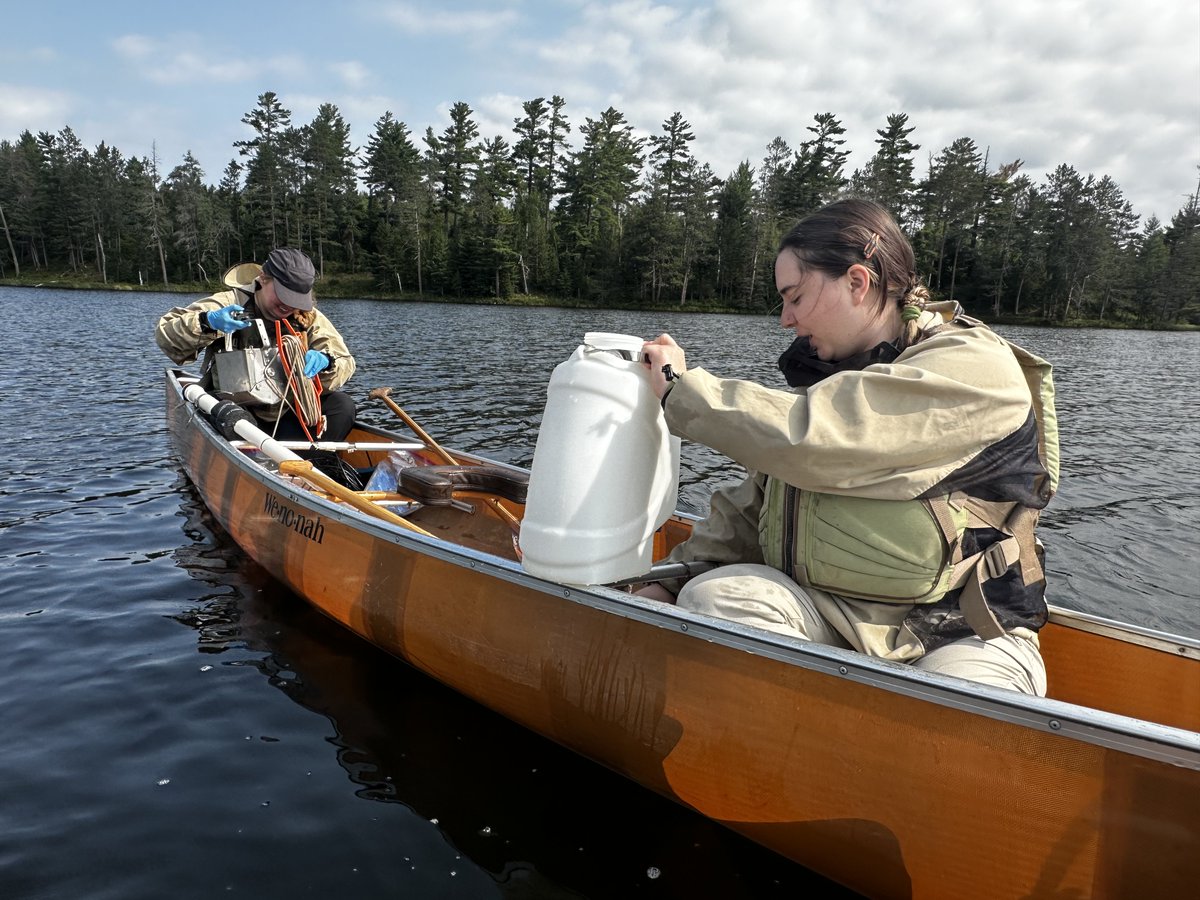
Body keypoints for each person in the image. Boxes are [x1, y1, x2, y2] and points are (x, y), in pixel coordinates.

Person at [638, 198, 1059, 696]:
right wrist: (672, 578)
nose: (785, 320)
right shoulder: (836, 373)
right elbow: (757, 505)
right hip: (827, 612)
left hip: (961, 630)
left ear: (858, 283)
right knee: (713, 599)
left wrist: (678, 387)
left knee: (968, 712)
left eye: (794, 296)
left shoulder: (974, 367)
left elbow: (818, 438)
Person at [155, 248, 357, 442]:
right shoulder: (229, 302)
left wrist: (328, 363)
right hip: (233, 412)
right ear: (263, 278)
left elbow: (345, 361)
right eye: (284, 295)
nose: (289, 306)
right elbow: (166, 336)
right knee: (234, 419)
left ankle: (303, 465)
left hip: (289, 414)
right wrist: (207, 322)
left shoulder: (308, 317)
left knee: (343, 406)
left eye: (296, 299)